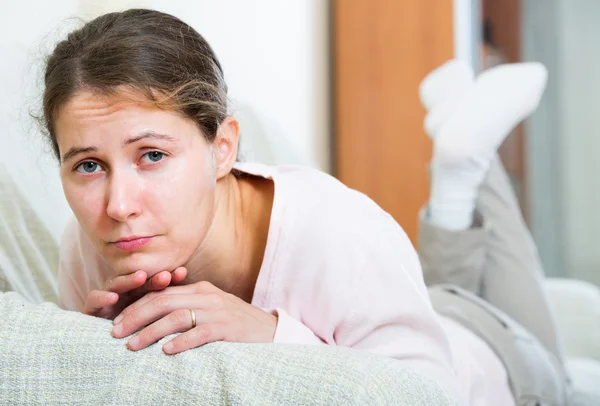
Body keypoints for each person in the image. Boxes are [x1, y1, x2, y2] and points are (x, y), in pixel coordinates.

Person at [47, 9, 568, 406]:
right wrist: (94, 353)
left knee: (554, 359)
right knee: (439, 288)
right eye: (88, 166)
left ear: (222, 148)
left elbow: (425, 392)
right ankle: (458, 169)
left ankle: (463, 169)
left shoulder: (335, 227)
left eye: (153, 156)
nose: (117, 206)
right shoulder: (88, 248)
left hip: (501, 363)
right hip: (401, 308)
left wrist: (269, 336)